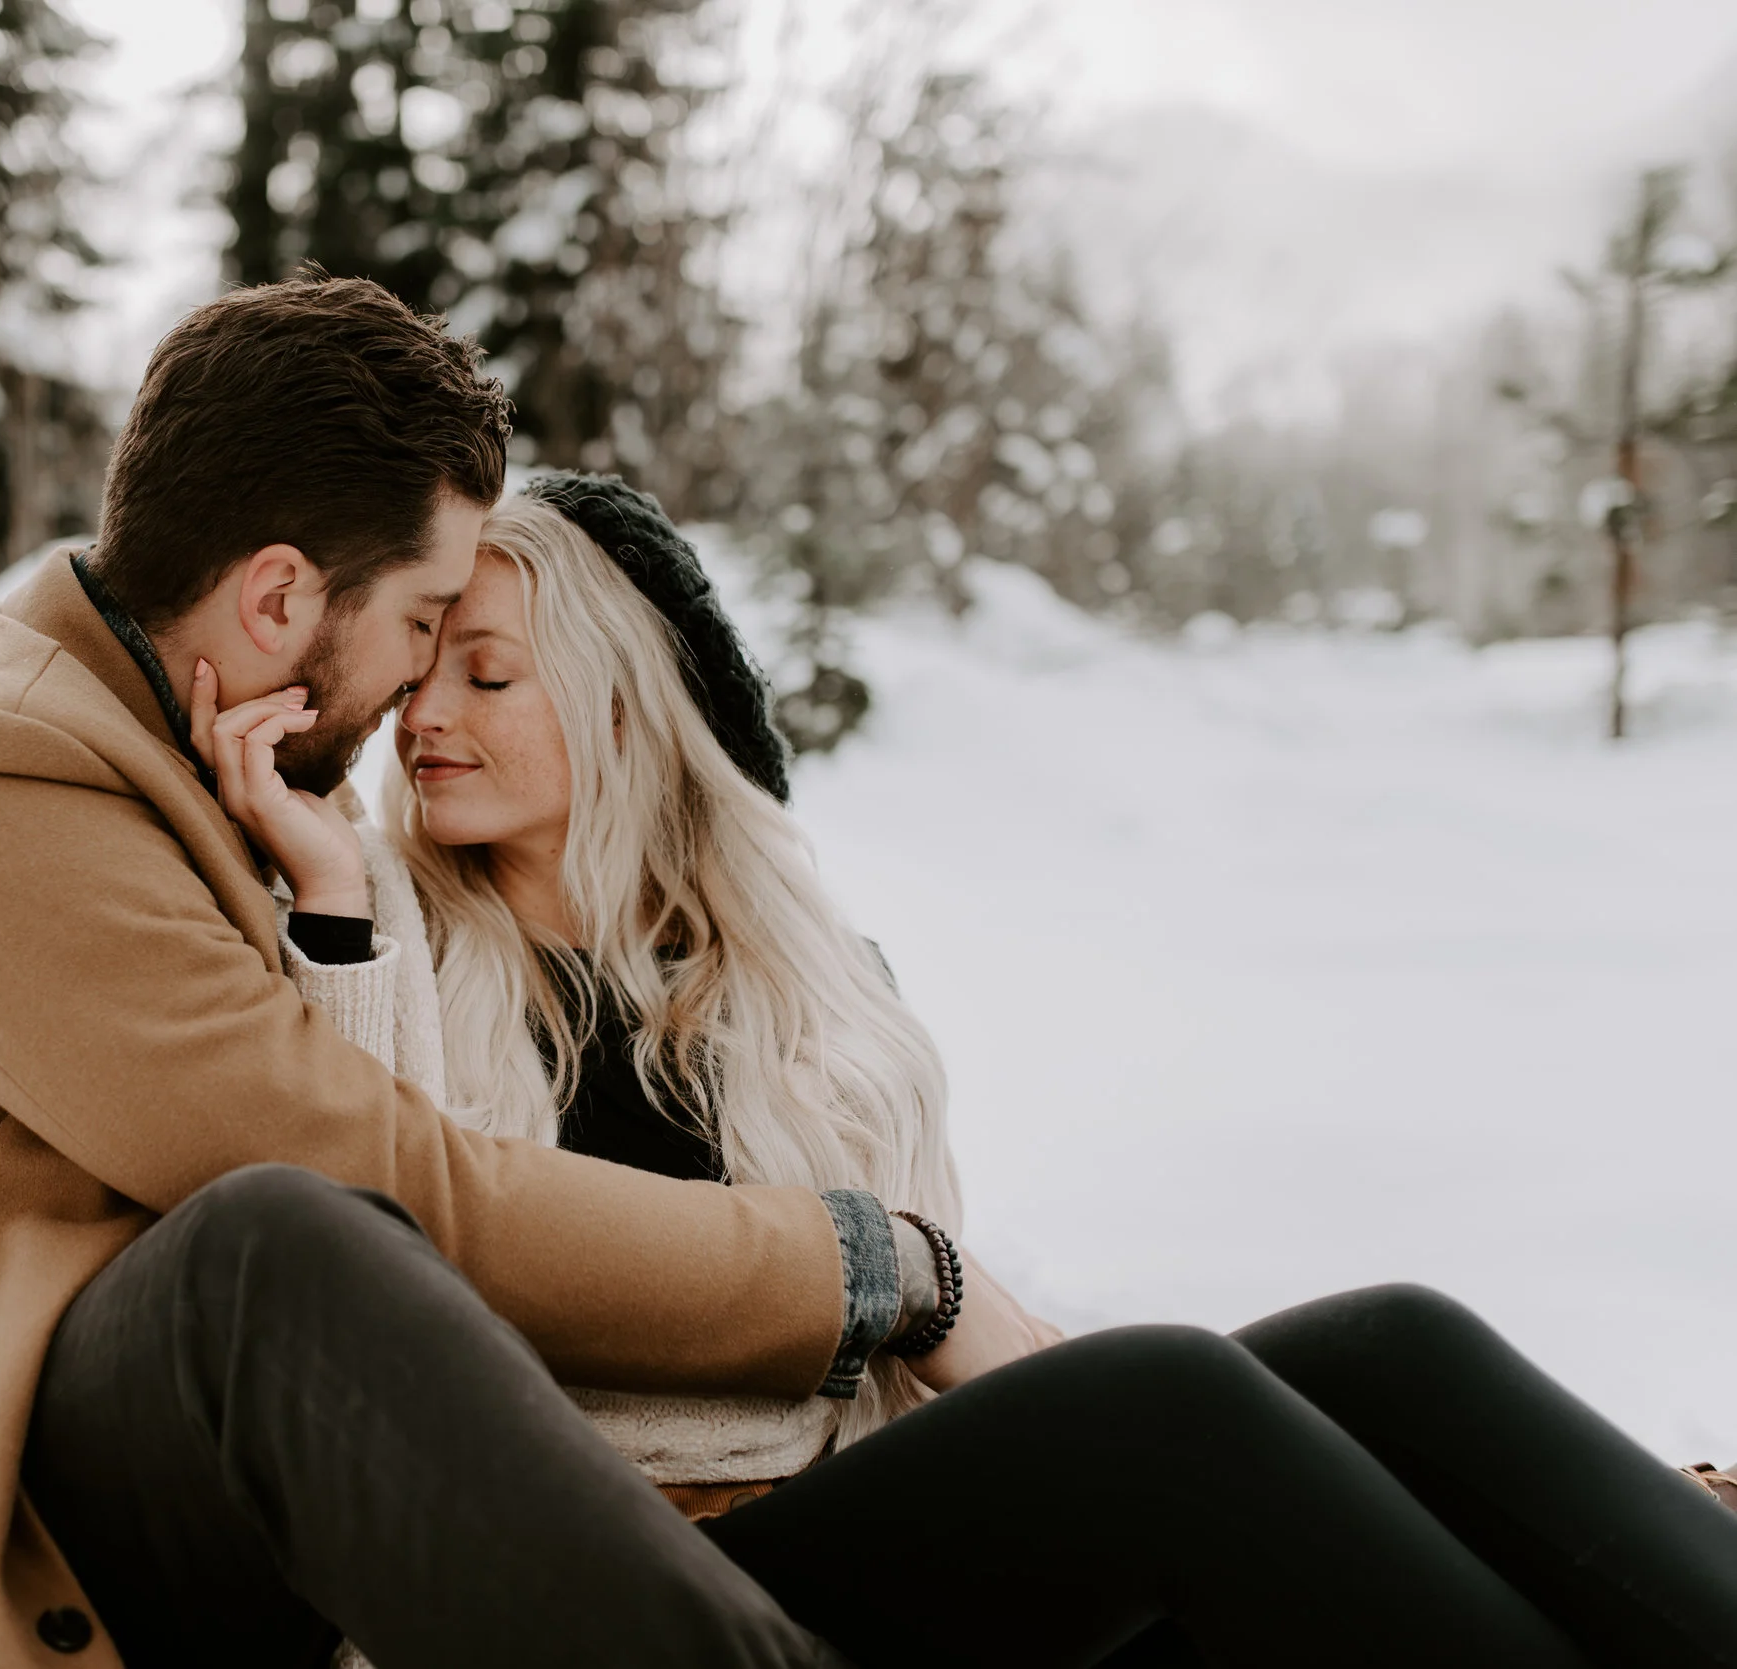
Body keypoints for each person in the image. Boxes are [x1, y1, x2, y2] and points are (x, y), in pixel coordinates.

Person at [197, 472, 1737, 1669]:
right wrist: (332, 910)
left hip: (852, 1528)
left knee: (1395, 1342)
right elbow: (374, 1262)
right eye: (423, 679)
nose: (425, 721)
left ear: (626, 705)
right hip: (630, 1579)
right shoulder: (381, 944)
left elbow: (926, 1366)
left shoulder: (792, 994)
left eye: (487, 676)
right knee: (1168, 1402)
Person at [0, 277, 947, 1669]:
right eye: (419, 618)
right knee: (281, 1243)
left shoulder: (205, 772)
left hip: (153, 1466)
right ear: (278, 595)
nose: (417, 690)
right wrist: (863, 1269)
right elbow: (407, 1184)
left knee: (1175, 1402)